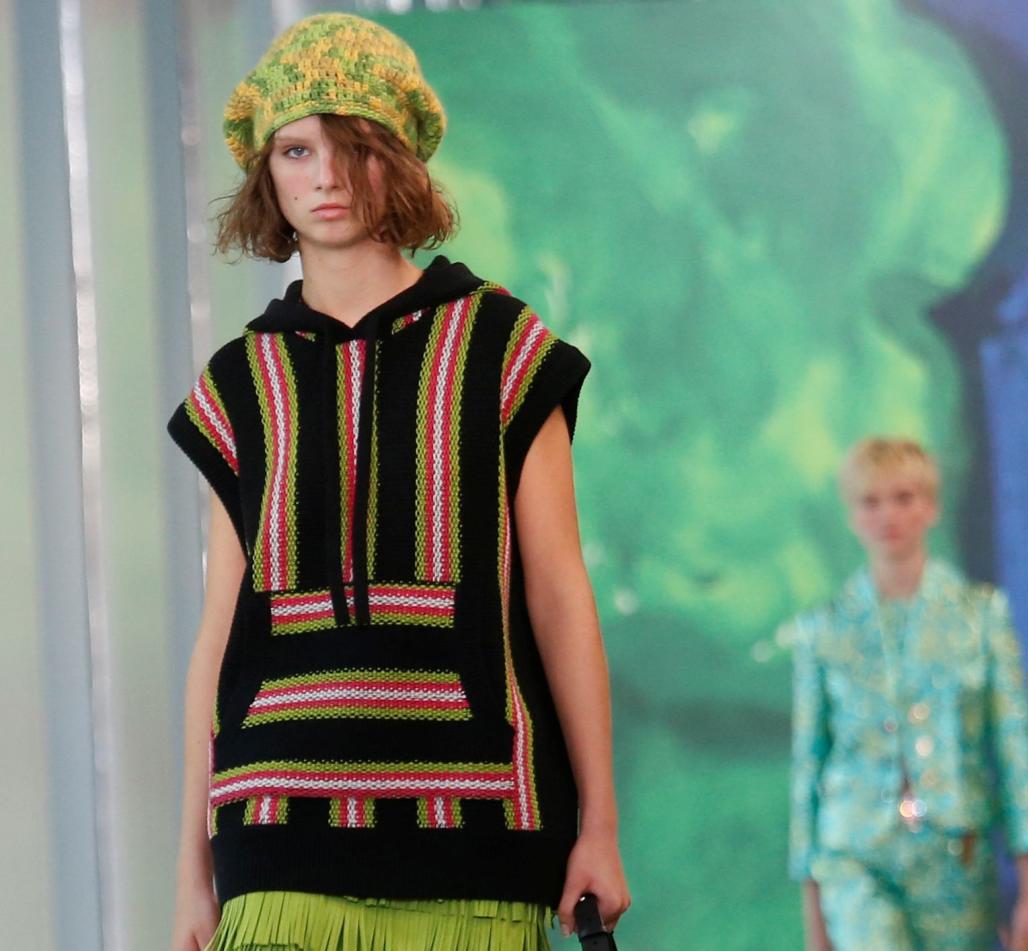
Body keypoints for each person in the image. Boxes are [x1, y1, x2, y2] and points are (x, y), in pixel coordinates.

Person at [167, 13, 628, 950]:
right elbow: (220, 629)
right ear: (266, 171)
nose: (327, 178)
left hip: (483, 830)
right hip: (274, 831)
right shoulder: (238, 381)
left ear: (402, 159)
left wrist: (601, 828)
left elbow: (558, 590)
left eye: (355, 148)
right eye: (296, 150)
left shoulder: (503, 345)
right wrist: (191, 874)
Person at [787, 437, 1028, 951]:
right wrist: (813, 912)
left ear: (931, 506)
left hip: (957, 855)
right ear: (851, 515)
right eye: (870, 501)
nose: (888, 515)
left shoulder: (981, 616)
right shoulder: (823, 628)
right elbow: (808, 765)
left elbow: (1016, 749)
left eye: (904, 498)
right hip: (855, 855)